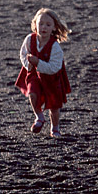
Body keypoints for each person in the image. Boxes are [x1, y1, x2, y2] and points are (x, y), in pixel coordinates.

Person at [15, 8, 71, 139]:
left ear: (54, 27)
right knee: (32, 93)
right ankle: (39, 116)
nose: (43, 27)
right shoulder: (29, 39)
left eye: (48, 24)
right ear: (35, 25)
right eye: (40, 24)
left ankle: (55, 128)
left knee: (54, 106)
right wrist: (28, 64)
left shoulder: (55, 46)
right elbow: (23, 54)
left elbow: (54, 67)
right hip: (34, 74)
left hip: (51, 78)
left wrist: (38, 62)